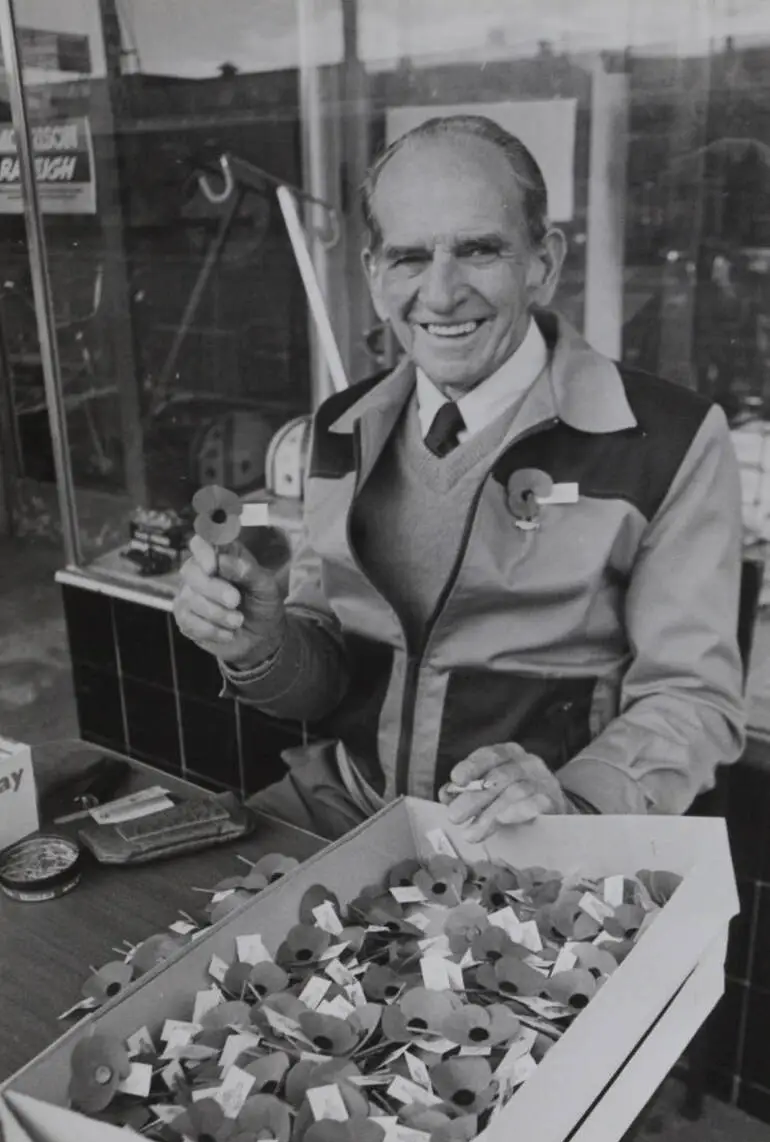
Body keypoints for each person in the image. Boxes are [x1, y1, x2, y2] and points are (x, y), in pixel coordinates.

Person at [173, 114, 745, 842]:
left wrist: (572, 800)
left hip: (537, 843)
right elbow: (327, 672)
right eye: (410, 257)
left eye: (477, 249)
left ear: (544, 263)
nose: (441, 294)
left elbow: (693, 698)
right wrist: (262, 643)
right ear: (376, 276)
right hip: (345, 809)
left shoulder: (666, 442)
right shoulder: (340, 428)